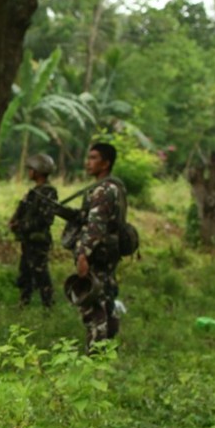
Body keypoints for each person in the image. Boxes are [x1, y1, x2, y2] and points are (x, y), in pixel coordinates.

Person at [70, 142, 126, 352]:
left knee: (93, 304)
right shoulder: (115, 187)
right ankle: (108, 349)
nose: (88, 162)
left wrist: (83, 254)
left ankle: (97, 351)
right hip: (109, 253)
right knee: (107, 298)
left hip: (97, 255)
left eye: (94, 158)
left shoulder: (102, 190)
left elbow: (96, 227)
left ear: (106, 163)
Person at [8, 153, 58, 307]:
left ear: (37, 171)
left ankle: (48, 304)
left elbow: (46, 219)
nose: (29, 172)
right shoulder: (33, 191)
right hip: (28, 239)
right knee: (25, 271)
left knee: (40, 272)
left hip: (38, 239)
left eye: (31, 169)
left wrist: (21, 225)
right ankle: (24, 301)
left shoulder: (48, 192)